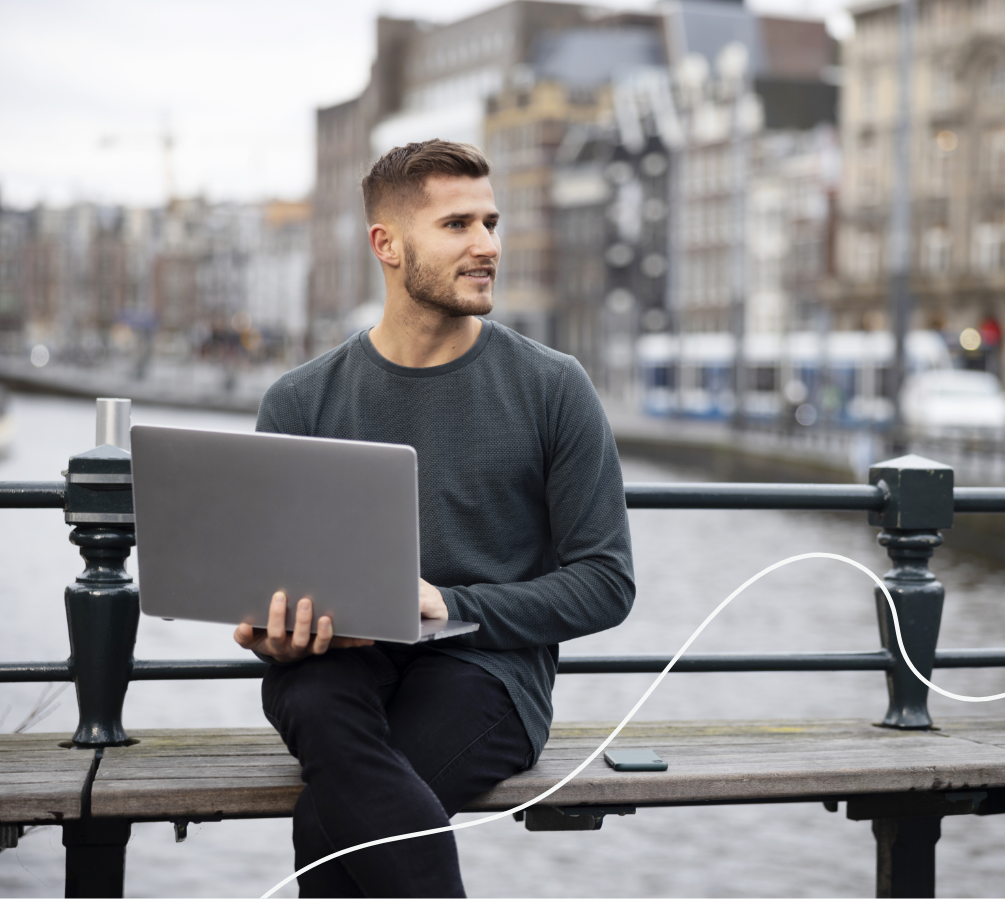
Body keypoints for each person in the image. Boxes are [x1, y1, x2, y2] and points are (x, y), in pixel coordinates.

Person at [234, 139, 635, 897]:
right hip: (333, 663)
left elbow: (606, 582)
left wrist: (453, 605)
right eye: (457, 225)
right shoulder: (299, 400)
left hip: (487, 671)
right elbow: (272, 583)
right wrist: (275, 633)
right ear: (387, 245)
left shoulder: (553, 387)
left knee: (332, 819)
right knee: (315, 701)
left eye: (490, 221)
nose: (487, 246)